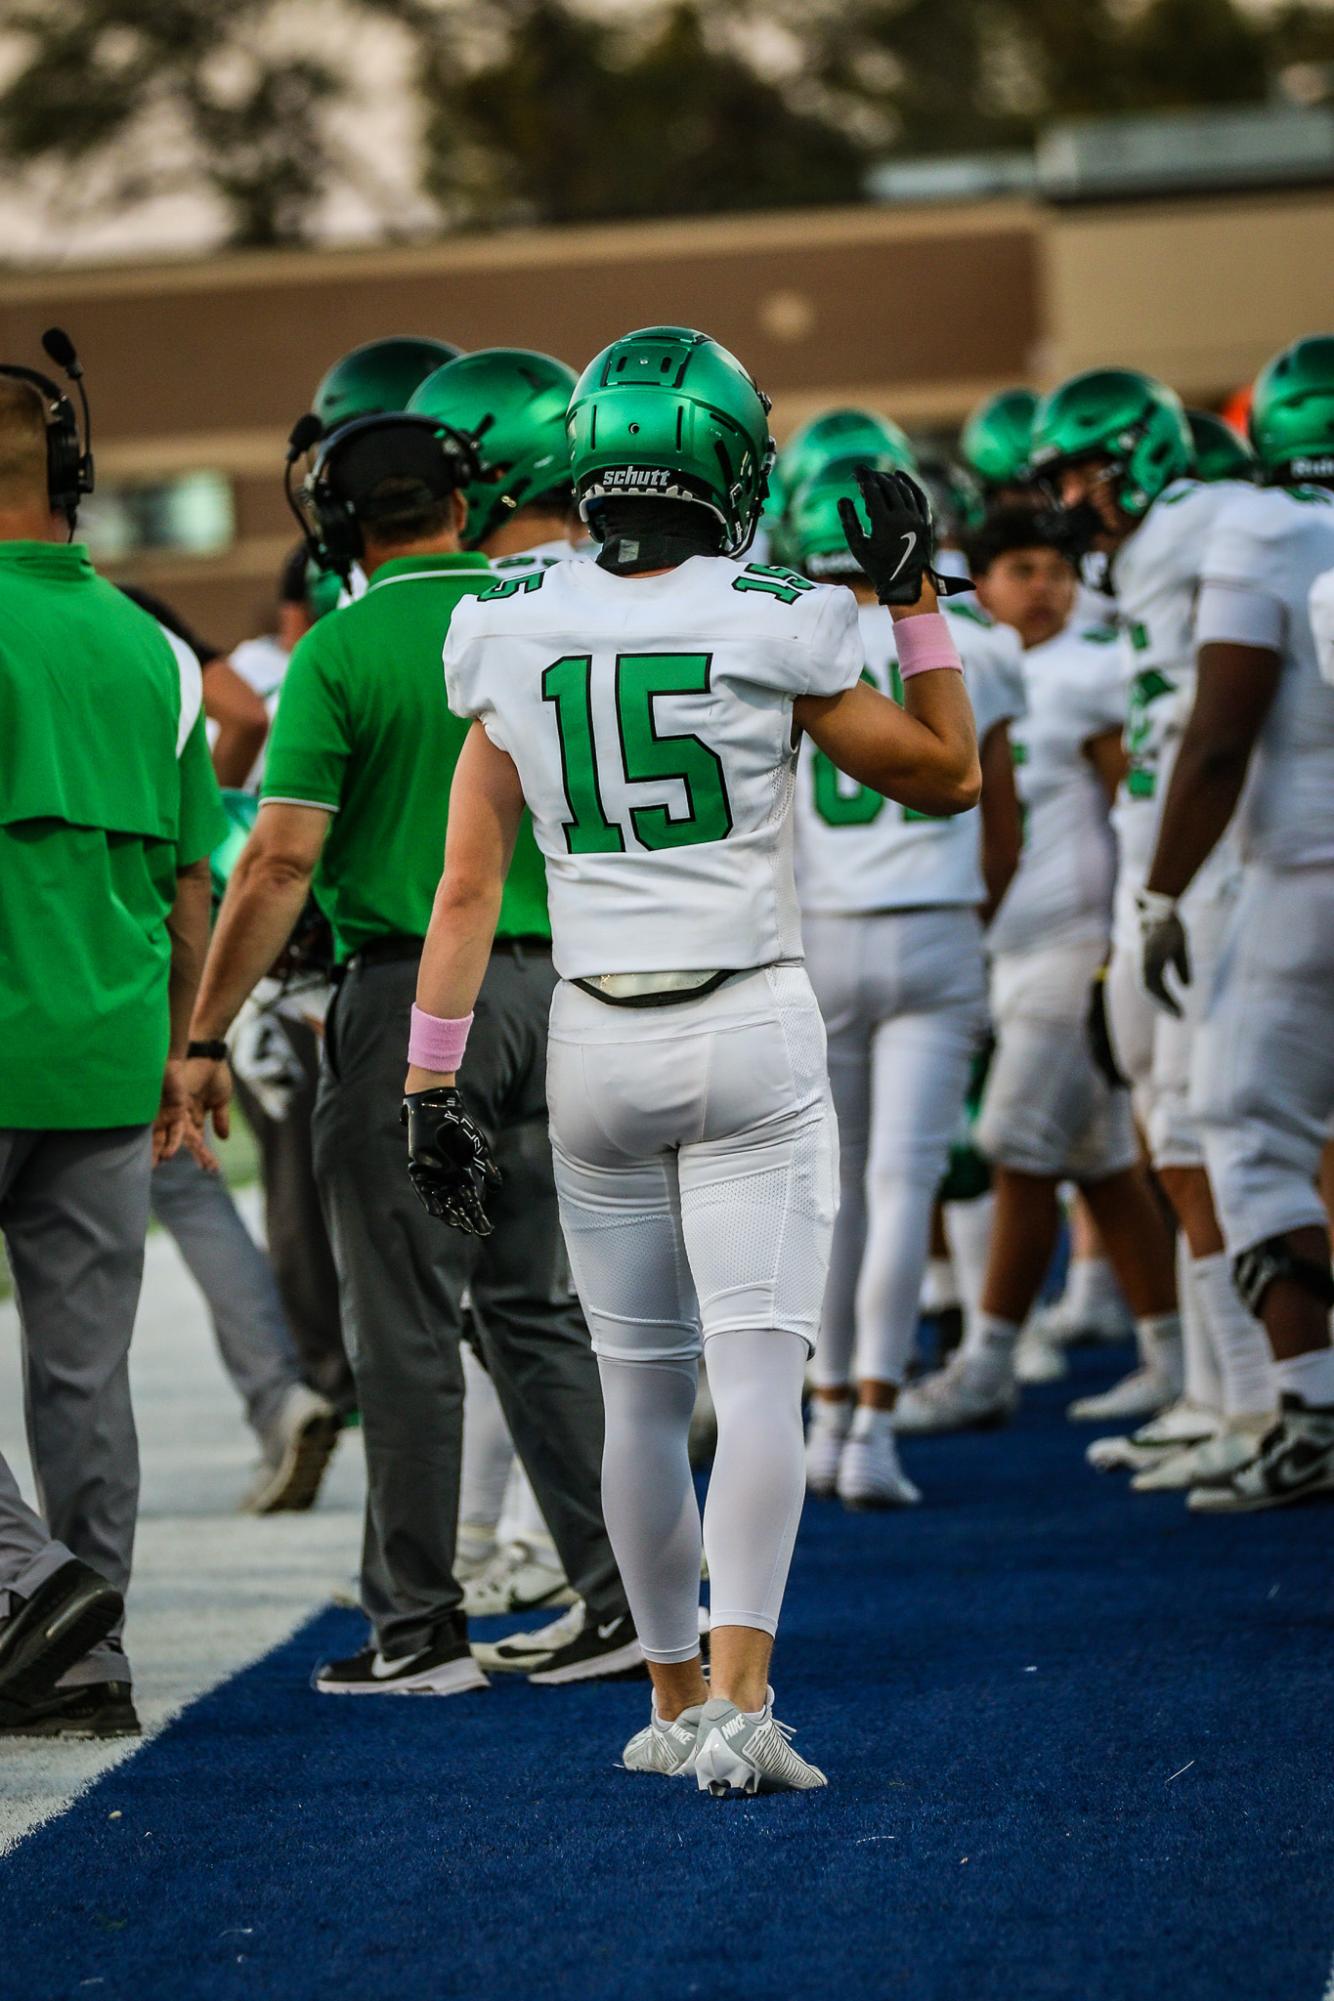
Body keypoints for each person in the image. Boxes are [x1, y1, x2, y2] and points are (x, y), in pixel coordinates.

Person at [410, 325, 979, 1794]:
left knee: (641, 1397)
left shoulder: (509, 613)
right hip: (745, 1024)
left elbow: (467, 888)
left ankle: (668, 1704)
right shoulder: (772, 613)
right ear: (732, 461)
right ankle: (741, 1697)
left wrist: (428, 1080)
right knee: (756, 1378)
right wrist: (915, 605)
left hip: (595, 1037)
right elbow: (945, 770)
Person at [185, 398, 635, 1694]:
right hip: (568, 986)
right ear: (465, 497)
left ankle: (418, 1624)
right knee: (537, 1310)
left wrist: (207, 1027)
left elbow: (278, 860)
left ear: (333, 519)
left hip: (407, 1001)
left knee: (403, 1322)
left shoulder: (337, 648)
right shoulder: (545, 616)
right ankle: (617, 1597)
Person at [0, 359, 223, 1739]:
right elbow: (192, 877)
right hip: (112, 1046)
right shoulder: (158, 649)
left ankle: (29, 1589)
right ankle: (89, 1659)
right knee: (85, 1381)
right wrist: (190, 1048)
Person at [895, 509, 1180, 1436]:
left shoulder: (1095, 669)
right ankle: (1174, 1357)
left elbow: (1129, 808)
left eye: (1058, 568)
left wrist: (1120, 940)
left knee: (1018, 1145)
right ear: (979, 576)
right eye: (1022, 567)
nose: (1046, 585)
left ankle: (988, 1359)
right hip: (996, 946)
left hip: (1071, 943)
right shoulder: (954, 657)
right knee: (1099, 1161)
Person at [1027, 367, 1266, 1433]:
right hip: (1156, 867)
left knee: (1221, 1129)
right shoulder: (1141, 561)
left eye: (1083, 474)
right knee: (1168, 1130)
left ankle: (1266, 1400)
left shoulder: (1209, 524)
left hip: (1213, 871)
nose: (1070, 501)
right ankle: (1222, 1394)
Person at [787, 451, 1024, 1504]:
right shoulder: (971, 636)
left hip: (824, 933)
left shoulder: (782, 631)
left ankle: (828, 1410)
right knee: (901, 1186)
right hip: (933, 927)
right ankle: (874, 1423)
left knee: (826, 1193)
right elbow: (995, 814)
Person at [1138, 335, 1334, 1511]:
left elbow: (1217, 736)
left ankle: (1308, 1405)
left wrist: (1162, 889)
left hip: (1300, 873)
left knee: (1241, 1133)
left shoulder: (1260, 533)